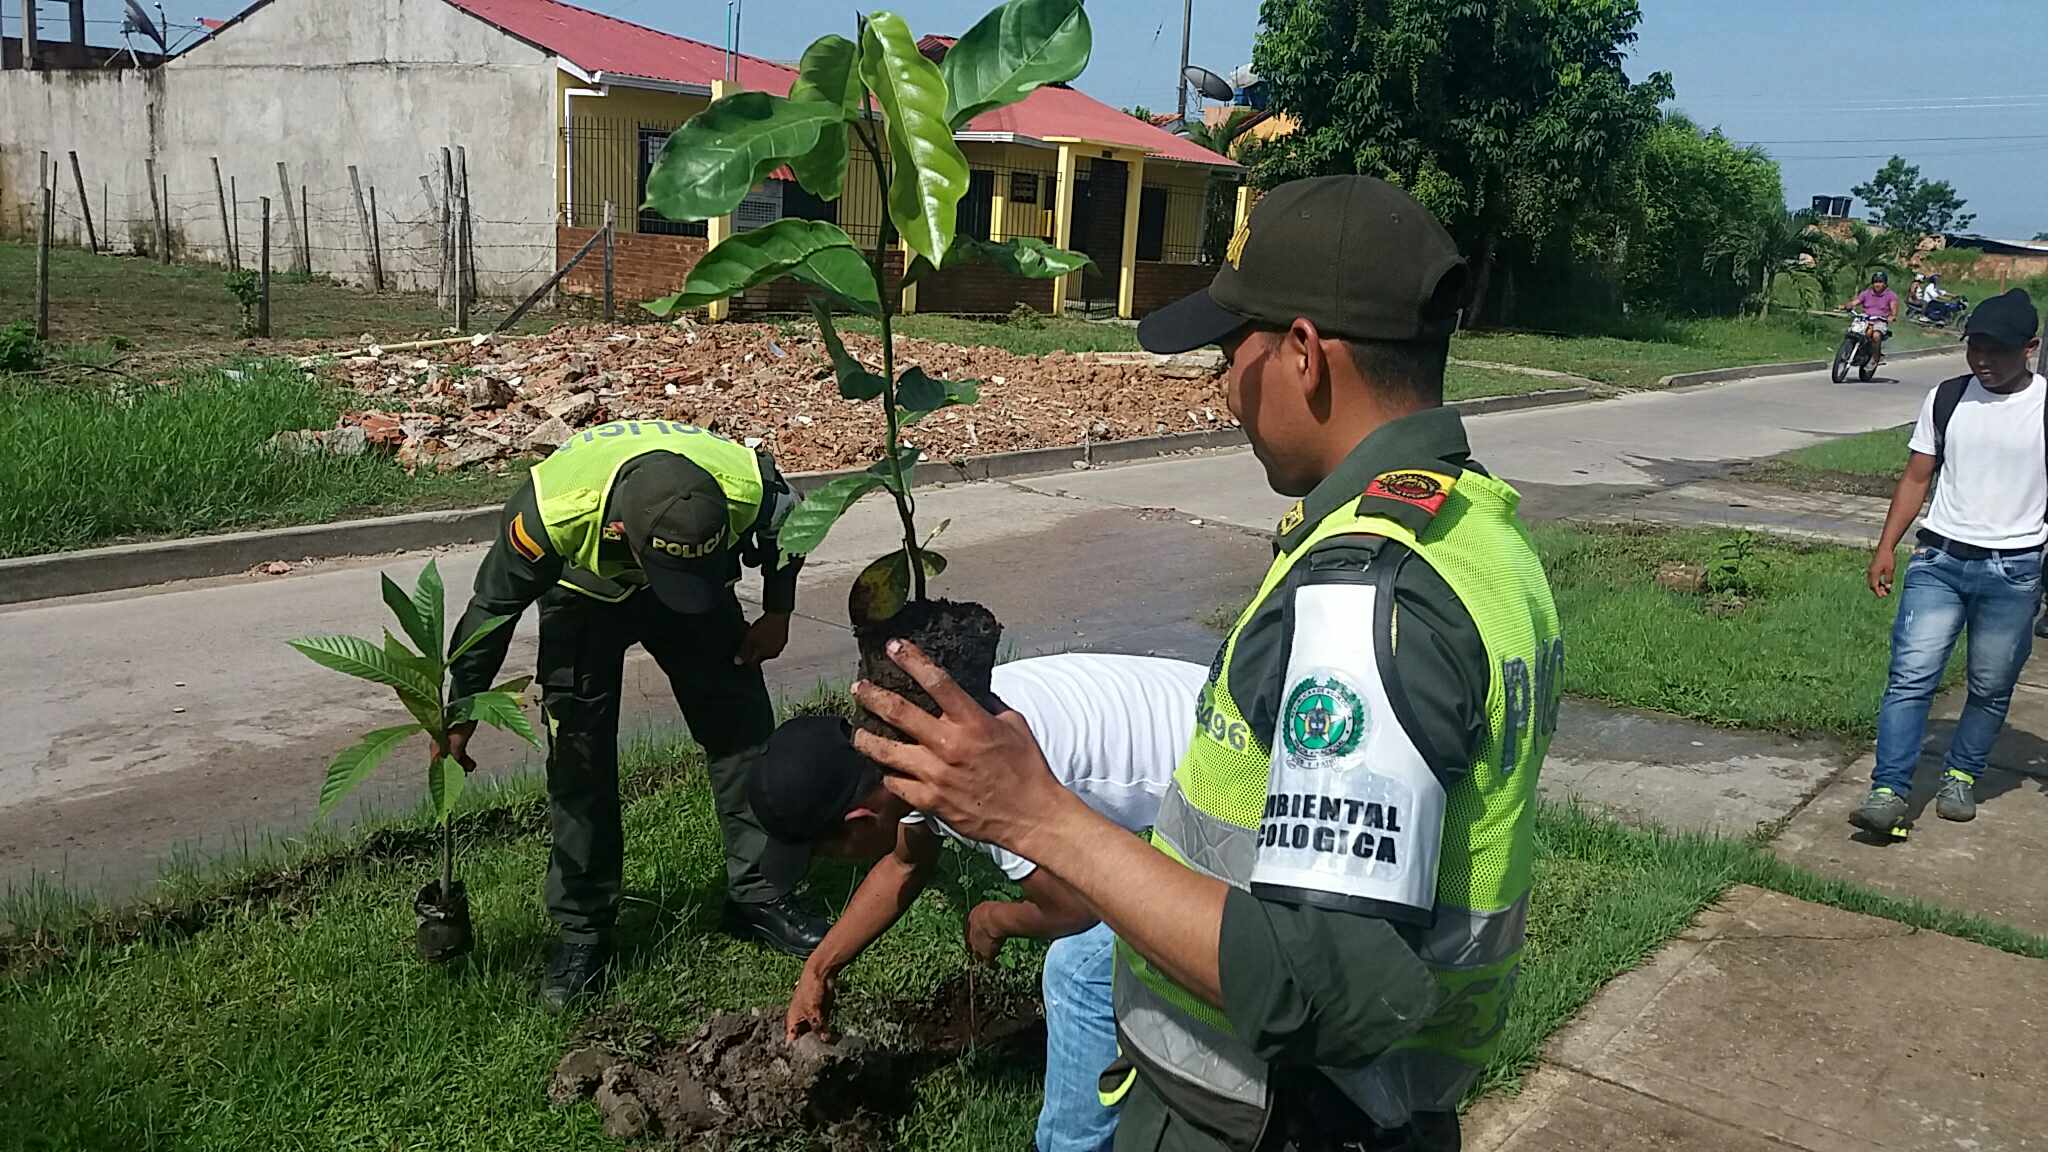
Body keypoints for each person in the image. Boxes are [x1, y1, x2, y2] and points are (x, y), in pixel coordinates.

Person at [845, 176, 1564, 1152]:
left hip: (1275, 1116)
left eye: (1232, 355)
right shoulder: (1473, 527)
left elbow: (1333, 984)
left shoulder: (1362, 594)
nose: (1224, 389)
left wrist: (1036, 815)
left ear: (1303, 354)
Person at [748, 653, 1208, 1152]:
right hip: (1213, 736)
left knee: (1078, 971)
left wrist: (994, 918)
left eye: (823, 852)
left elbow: (1075, 909)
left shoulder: (975, 779)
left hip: (1243, 798)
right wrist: (819, 969)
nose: (829, 864)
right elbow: (905, 863)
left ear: (859, 821)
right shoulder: (915, 745)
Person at [444, 419, 830, 1010]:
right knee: (580, 760)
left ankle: (760, 893)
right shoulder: (551, 512)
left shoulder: (747, 485)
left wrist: (778, 612)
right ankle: (583, 930)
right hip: (584, 597)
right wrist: (462, 706)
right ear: (620, 529)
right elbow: (492, 609)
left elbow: (791, 530)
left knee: (743, 734)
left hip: (695, 599)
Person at [1859, 289, 2045, 832]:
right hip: (1939, 560)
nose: (1983, 361)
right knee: (1910, 677)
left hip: (2015, 572)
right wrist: (1886, 546)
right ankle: (1888, 789)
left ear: (2031, 348)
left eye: (1998, 351)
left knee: (1990, 684)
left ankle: (1961, 775)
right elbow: (1917, 477)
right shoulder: (1947, 397)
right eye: (1975, 349)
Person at [1847, 270, 1901, 364]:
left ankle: (1876, 358)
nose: (1877, 285)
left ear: (1885, 284)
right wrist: (1848, 305)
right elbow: (1856, 302)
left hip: (1880, 320)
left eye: (1880, 282)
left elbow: (1894, 310)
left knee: (1876, 335)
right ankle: (1849, 352)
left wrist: (1892, 316)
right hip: (1865, 318)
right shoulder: (1866, 293)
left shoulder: (1891, 295)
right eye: (1875, 282)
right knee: (1852, 331)